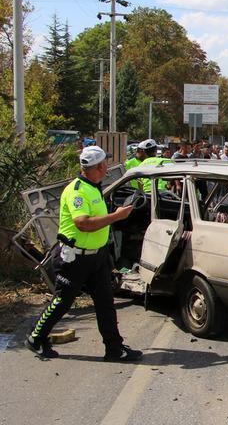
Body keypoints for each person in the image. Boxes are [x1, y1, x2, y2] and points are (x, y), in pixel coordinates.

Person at [25, 146, 142, 361]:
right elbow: (83, 224)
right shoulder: (77, 190)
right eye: (105, 163)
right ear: (98, 166)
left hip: (96, 257)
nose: (107, 166)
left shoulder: (94, 187)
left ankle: (114, 349)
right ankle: (36, 337)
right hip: (75, 258)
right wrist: (116, 216)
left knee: (106, 302)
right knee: (63, 301)